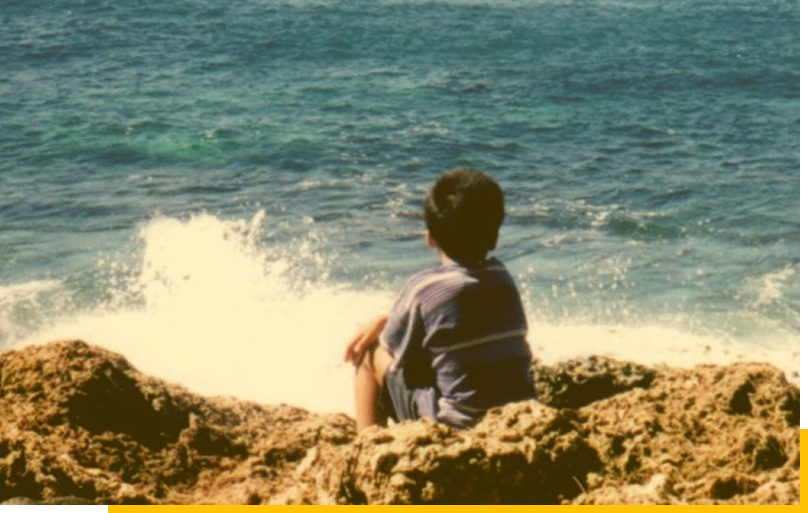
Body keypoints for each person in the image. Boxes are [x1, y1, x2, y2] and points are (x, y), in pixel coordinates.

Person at [344, 169, 536, 430]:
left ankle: (368, 445)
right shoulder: (503, 278)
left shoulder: (425, 288)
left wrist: (381, 321)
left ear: (430, 238)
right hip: (515, 419)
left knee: (369, 355)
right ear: (495, 237)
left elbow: (394, 352)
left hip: (455, 426)